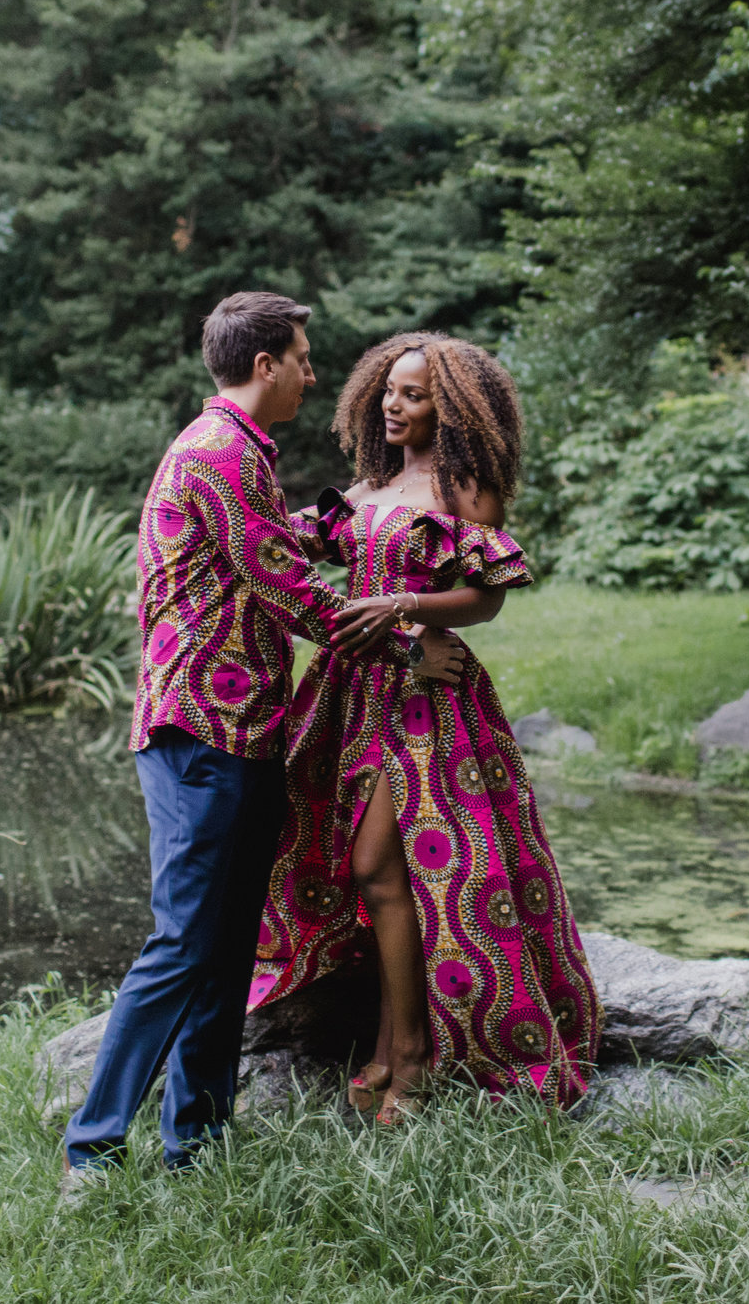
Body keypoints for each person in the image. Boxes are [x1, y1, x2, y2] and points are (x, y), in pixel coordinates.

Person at [62, 292, 461, 1178]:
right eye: (304, 360)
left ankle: (197, 1144)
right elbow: (288, 587)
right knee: (184, 942)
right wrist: (406, 645)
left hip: (242, 734)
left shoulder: (241, 453)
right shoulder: (218, 454)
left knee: (226, 947)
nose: (315, 377)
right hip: (199, 732)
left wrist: (363, 515)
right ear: (265, 364)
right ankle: (91, 1151)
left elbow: (275, 543)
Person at [250, 333, 603, 1121]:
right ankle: (387, 1043)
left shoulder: (465, 487)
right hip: (350, 691)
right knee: (372, 874)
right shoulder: (369, 485)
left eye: (412, 394)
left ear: (450, 407)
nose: (393, 404)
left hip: (424, 694)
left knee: (382, 864)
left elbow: (488, 595)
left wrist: (406, 606)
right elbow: (291, 540)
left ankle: (412, 1056)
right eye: (388, 390)